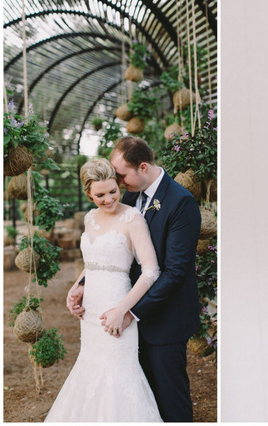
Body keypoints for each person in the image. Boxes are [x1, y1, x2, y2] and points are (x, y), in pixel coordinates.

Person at [66, 137, 201, 422]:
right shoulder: (126, 196)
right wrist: (81, 285)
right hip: (122, 315)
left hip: (165, 317)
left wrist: (129, 312)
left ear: (142, 167)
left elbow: (175, 271)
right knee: (138, 396)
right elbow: (111, 254)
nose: (116, 183)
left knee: (170, 397)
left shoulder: (181, 202)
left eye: (121, 175)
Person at [46, 158, 162, 421]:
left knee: (119, 374)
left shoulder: (132, 218)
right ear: (88, 193)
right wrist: (76, 289)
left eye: (113, 191)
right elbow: (93, 264)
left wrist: (122, 311)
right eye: (100, 195)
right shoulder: (89, 218)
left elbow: (151, 271)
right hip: (90, 313)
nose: (109, 199)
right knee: (90, 369)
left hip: (117, 309)